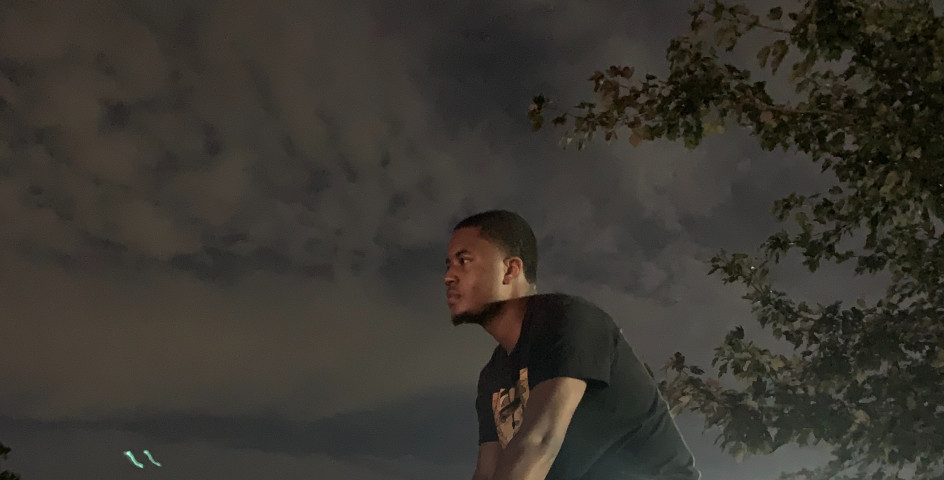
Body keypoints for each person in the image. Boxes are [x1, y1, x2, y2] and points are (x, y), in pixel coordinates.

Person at [444, 210, 701, 480]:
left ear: (510, 270)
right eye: (448, 264)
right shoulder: (492, 376)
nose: (448, 276)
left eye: (464, 261)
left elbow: (539, 442)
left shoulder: (567, 320)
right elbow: (487, 472)